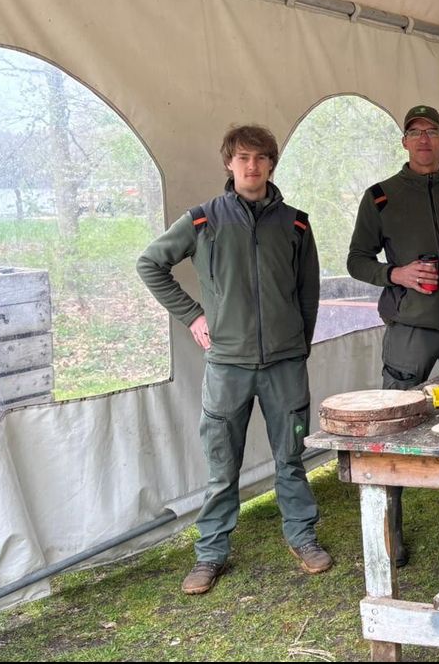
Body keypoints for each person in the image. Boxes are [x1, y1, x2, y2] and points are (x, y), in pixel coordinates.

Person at [137, 124, 328, 595]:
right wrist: (193, 317)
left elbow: (308, 290)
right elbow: (150, 264)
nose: (251, 166)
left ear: (271, 164)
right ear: (229, 163)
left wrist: (298, 342)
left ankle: (302, 537)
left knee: (291, 457)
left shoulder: (296, 224)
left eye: (261, 158)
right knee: (223, 467)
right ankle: (211, 554)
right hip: (227, 364)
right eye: (242, 157)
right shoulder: (203, 221)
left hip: (284, 363)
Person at [346, 105, 439, 541]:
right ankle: (391, 527)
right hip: (410, 329)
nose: (424, 139)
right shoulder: (381, 197)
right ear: (405, 142)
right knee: (395, 422)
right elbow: (356, 260)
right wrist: (397, 274)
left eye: (433, 132)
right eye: (415, 132)